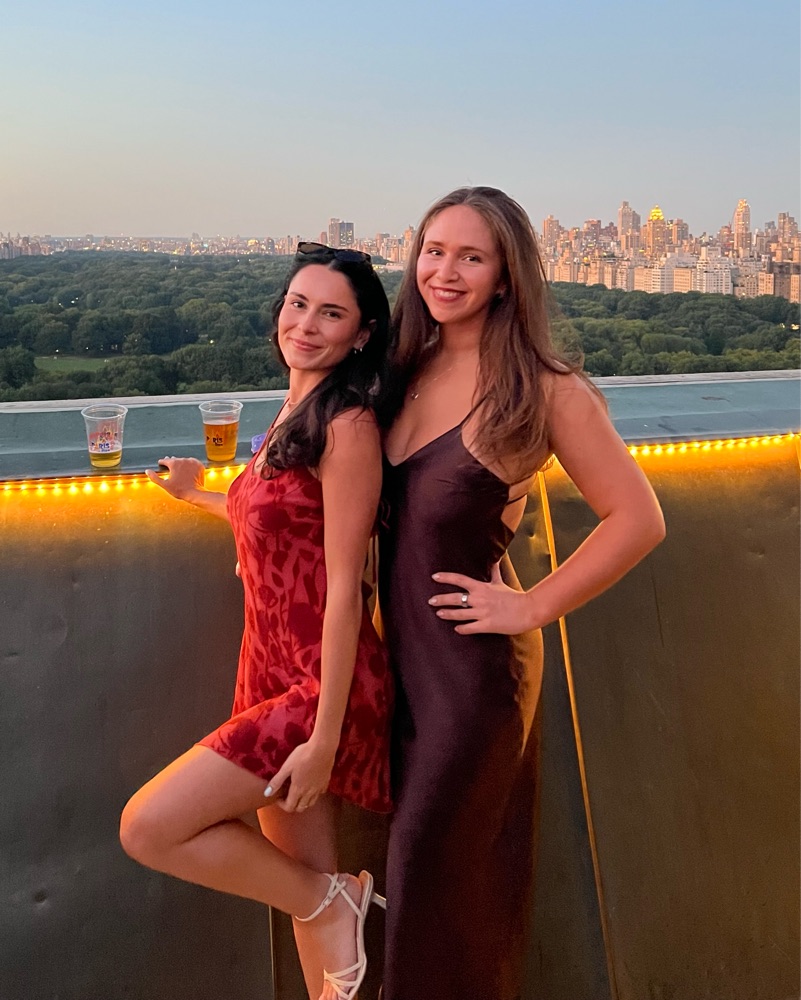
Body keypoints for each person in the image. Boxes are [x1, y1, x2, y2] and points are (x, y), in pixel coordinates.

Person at [377, 187, 666, 999]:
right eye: (434, 251)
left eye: (470, 257)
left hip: (472, 681)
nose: (444, 271)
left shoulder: (542, 387)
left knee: (431, 882)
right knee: (428, 888)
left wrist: (533, 604)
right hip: (392, 670)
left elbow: (637, 518)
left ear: (506, 276)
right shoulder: (402, 368)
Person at [120, 242, 393, 1000]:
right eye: (297, 304)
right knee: (308, 902)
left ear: (361, 334)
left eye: (330, 313)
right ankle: (330, 910)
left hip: (317, 687)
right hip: (266, 669)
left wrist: (325, 737)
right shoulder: (293, 411)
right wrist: (196, 495)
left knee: (147, 827)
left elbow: (347, 590)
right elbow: (274, 519)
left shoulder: (347, 426)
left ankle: (337, 901)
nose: (305, 324)